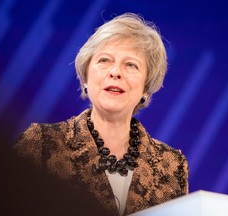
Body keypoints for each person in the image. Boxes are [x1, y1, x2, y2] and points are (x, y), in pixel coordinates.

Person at [15, 13, 189, 215]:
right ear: (86, 78)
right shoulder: (41, 144)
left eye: (130, 65)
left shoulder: (173, 166)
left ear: (146, 88)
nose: (115, 72)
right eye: (104, 60)